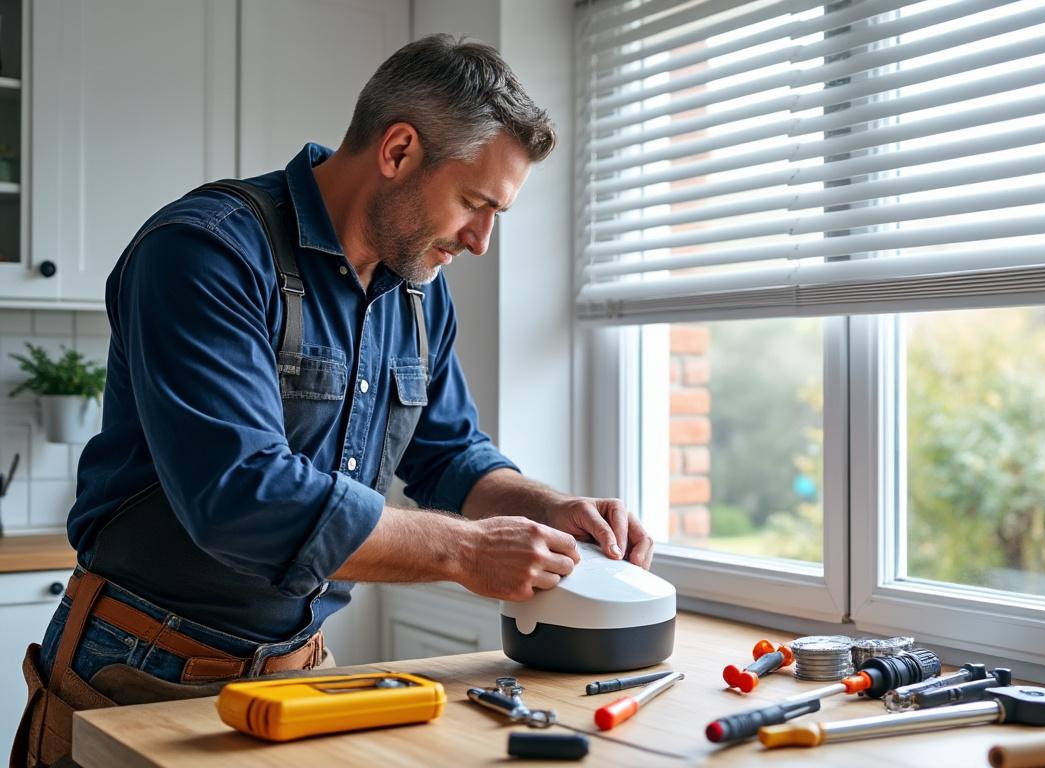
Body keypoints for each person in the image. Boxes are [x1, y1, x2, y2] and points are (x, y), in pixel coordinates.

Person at [11, 34, 651, 768]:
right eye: (475, 203)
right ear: (399, 150)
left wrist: (547, 508)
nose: (480, 241)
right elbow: (241, 494)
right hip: (140, 667)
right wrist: (464, 552)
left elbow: (450, 455)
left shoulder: (418, 296)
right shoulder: (205, 252)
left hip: (303, 674)